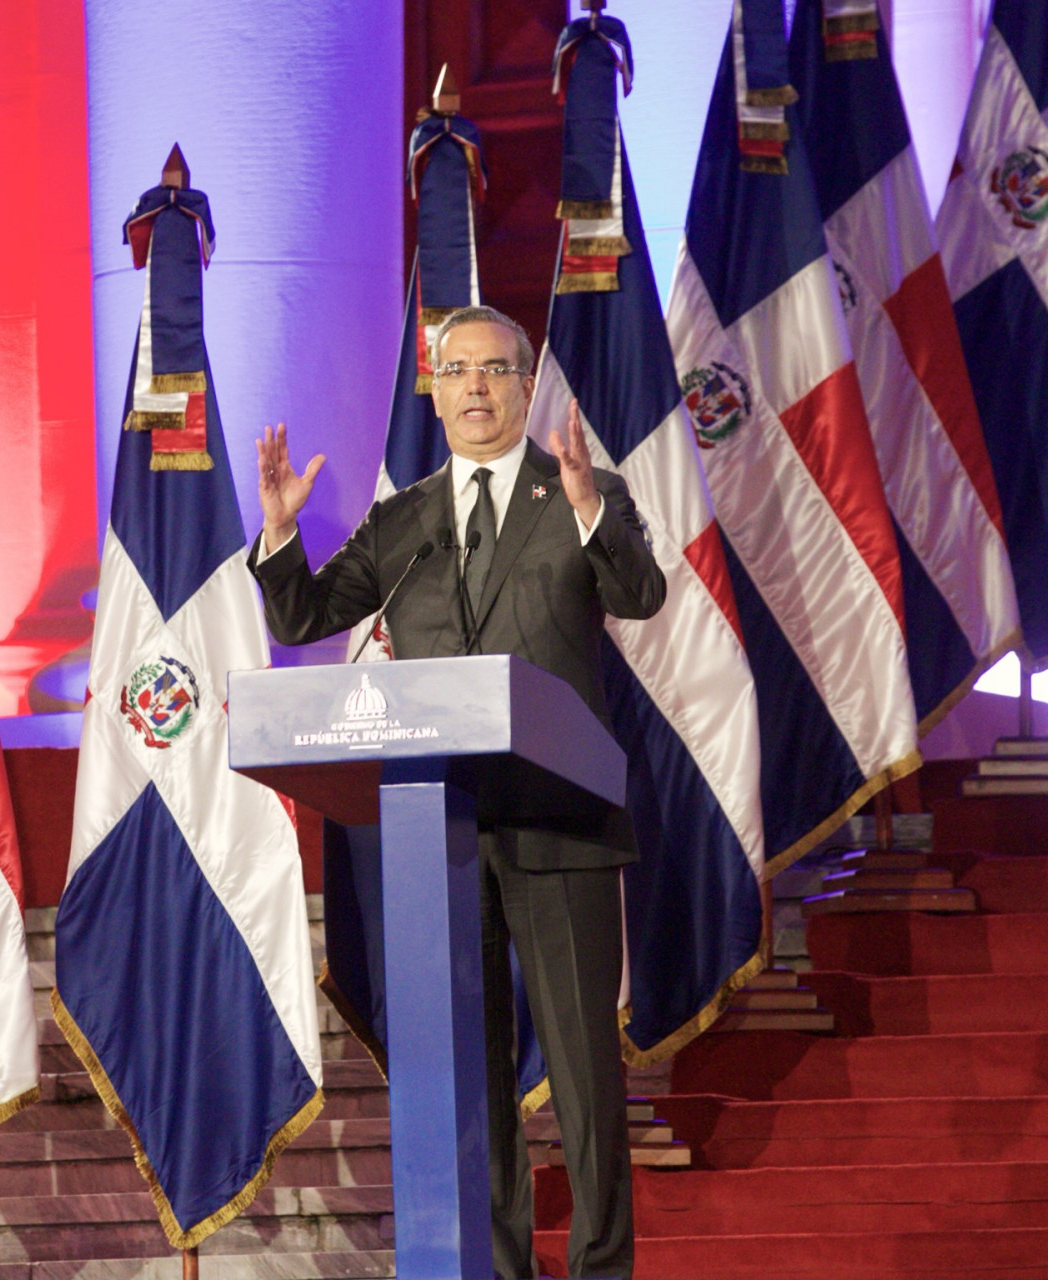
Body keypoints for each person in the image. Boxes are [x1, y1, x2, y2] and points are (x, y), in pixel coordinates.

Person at [248, 305, 665, 1279]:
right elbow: (308, 615)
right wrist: (279, 531)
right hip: (439, 836)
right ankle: (500, 1264)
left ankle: (602, 1266)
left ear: (526, 385)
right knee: (471, 1076)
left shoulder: (583, 491)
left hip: (561, 820)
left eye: (495, 369)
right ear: (434, 395)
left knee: (583, 1070)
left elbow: (639, 594)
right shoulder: (403, 522)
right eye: (457, 370)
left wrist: (590, 511)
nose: (476, 385)